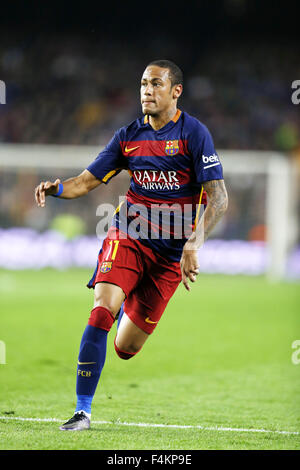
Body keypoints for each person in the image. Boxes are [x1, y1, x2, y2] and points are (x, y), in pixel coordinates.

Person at [34, 60, 228, 431]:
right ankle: (82, 411)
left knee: (126, 349)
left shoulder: (194, 134)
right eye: (142, 84)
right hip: (128, 236)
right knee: (102, 312)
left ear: (176, 92)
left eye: (156, 84)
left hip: (170, 256)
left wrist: (192, 245)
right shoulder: (128, 136)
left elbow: (219, 199)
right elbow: (85, 182)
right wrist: (56, 188)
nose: (146, 91)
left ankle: (131, 295)